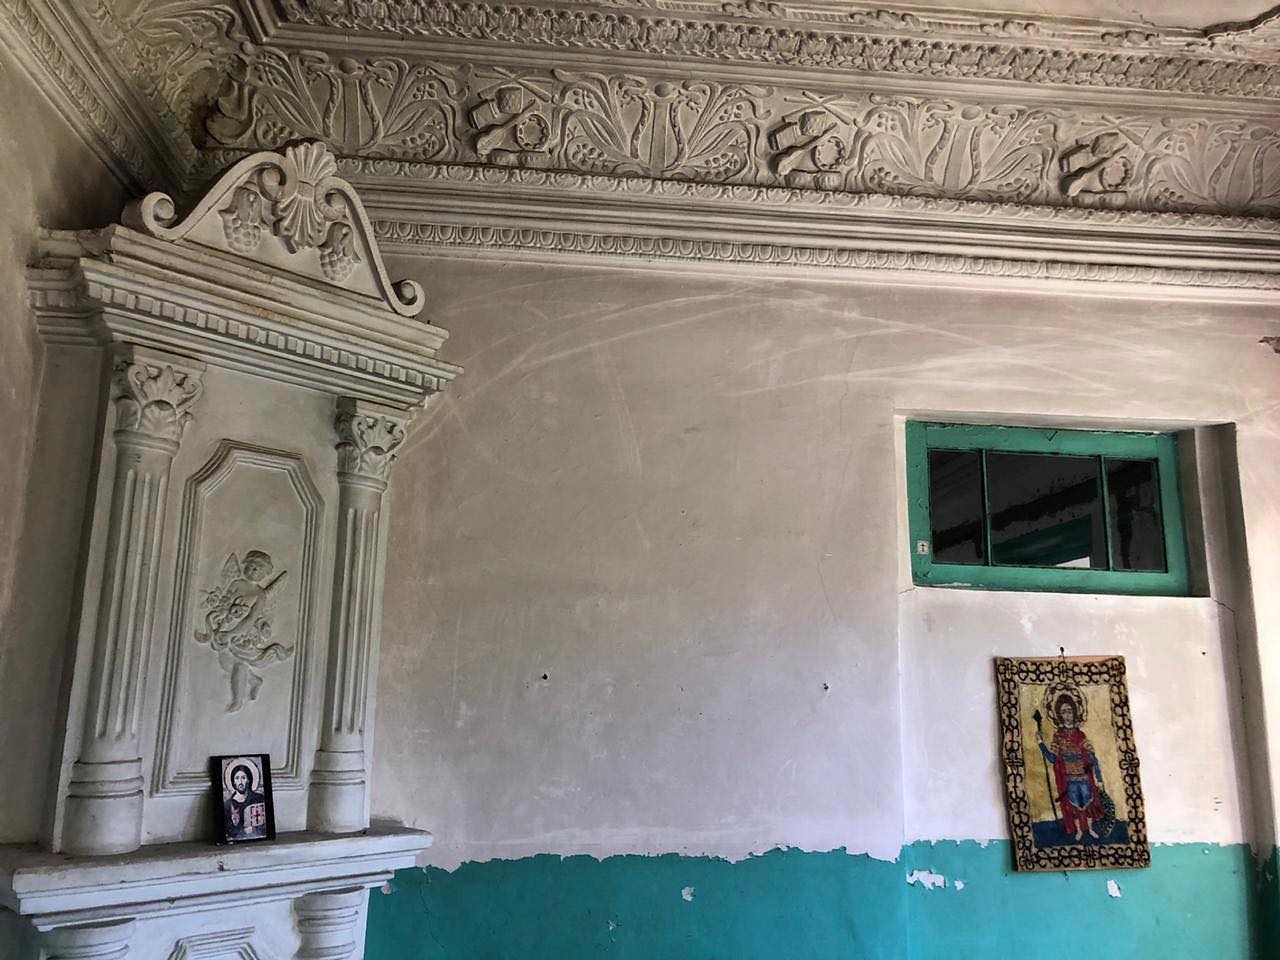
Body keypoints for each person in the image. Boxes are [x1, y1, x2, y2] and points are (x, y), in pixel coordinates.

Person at [1037, 694, 1105, 841]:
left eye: (1069, 711)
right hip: (1069, 779)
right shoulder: (1058, 736)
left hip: (1084, 777)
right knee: (1074, 807)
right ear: (1059, 715)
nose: (1067, 715)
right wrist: (1041, 744)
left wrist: (1099, 778)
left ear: (1074, 712)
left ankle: (1090, 829)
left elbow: (1092, 757)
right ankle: (1079, 831)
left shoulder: (1081, 735)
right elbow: (1052, 758)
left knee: (1088, 805)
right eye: (1063, 712)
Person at [223, 763, 268, 840]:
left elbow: (266, 824)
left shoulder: (259, 799)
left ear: (248, 780)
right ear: (234, 782)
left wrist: (253, 829)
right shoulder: (227, 805)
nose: (240, 782)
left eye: (243, 778)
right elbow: (227, 830)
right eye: (237, 778)